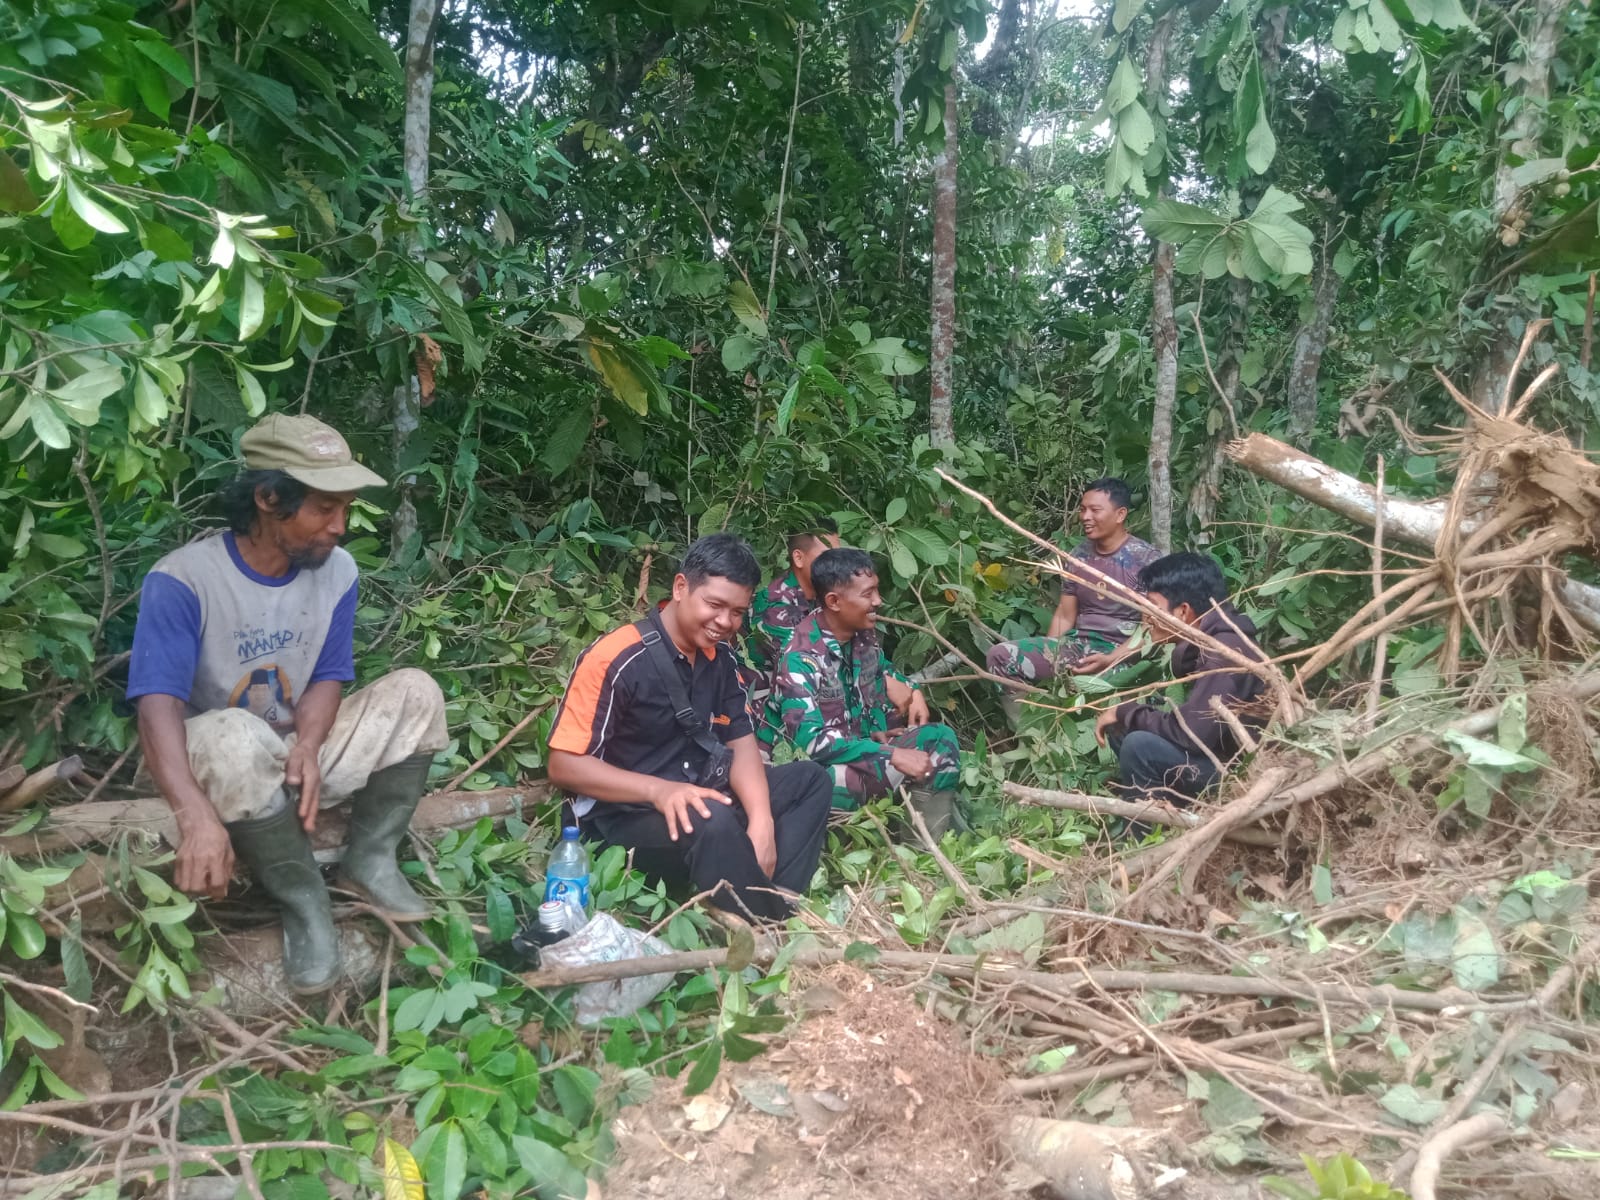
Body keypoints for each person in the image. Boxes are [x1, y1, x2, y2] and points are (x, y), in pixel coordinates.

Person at [127, 414, 448, 996]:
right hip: (219, 759)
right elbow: (157, 707)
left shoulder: (338, 572)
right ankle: (305, 900)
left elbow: (328, 674)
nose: (339, 527)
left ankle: (369, 861)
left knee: (415, 691)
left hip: (291, 752)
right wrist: (192, 814)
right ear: (269, 498)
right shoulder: (183, 580)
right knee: (232, 734)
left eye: (345, 509)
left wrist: (307, 744)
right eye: (324, 509)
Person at [546, 533, 832, 922]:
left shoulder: (721, 659)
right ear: (681, 587)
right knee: (710, 818)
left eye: (737, 612)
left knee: (810, 780)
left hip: (700, 793)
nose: (724, 622)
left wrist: (762, 821)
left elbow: (741, 740)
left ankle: (774, 895)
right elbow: (563, 764)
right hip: (626, 818)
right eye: (714, 605)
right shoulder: (616, 658)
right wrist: (659, 791)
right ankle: (763, 923)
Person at [763, 548, 962, 835]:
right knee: (834, 781)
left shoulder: (863, 636)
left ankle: (926, 843)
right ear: (834, 601)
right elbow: (813, 743)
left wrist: (912, 692)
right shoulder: (800, 657)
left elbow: (883, 672)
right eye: (868, 594)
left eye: (877, 591)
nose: (878, 601)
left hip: (862, 752)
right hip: (813, 771)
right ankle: (843, 841)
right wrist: (888, 754)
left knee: (940, 739)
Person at [1093, 552, 1269, 809]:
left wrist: (1125, 710)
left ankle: (1138, 836)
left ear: (1184, 611)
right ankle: (1168, 808)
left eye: (1153, 607)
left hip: (1243, 779)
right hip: (1221, 757)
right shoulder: (1215, 639)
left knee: (1139, 745)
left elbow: (1192, 735)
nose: (1146, 618)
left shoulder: (1225, 651)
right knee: (1125, 729)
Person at [987, 478, 1161, 690]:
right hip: (1078, 647)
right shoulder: (1078, 556)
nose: (1086, 517)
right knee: (1001, 657)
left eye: (1095, 510)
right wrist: (1050, 654)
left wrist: (1111, 658)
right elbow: (1064, 615)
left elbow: (1150, 629)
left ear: (1120, 514)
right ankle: (1030, 722)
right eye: (1083, 510)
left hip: (1124, 656)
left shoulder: (1147, 560)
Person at [746, 520, 841, 677]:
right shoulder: (774, 604)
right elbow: (809, 663)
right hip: (768, 695)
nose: (837, 566)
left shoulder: (824, 595)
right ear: (798, 558)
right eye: (828, 557)